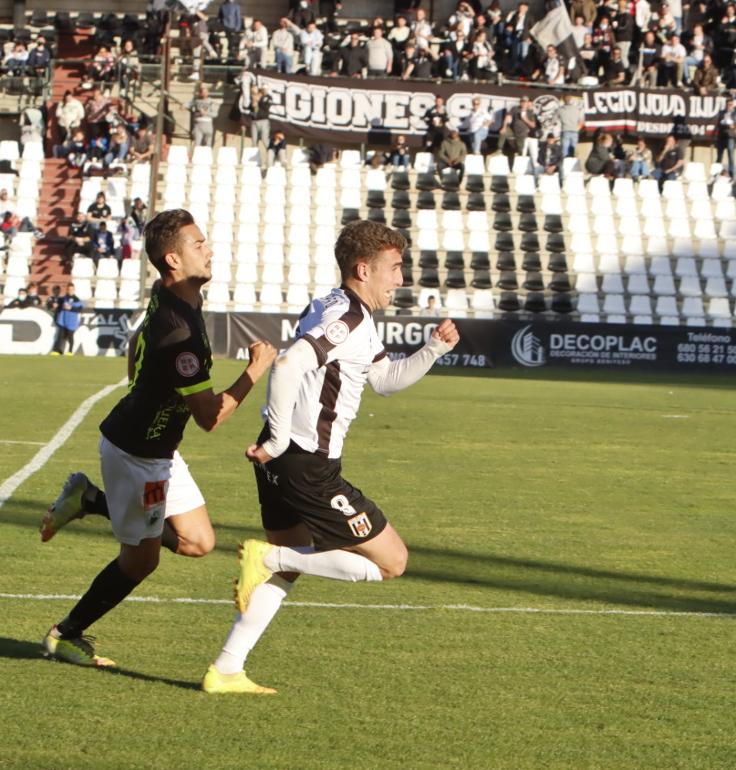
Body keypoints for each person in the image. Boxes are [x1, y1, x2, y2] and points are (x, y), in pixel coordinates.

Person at [201, 220, 460, 694]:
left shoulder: (335, 307)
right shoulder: (350, 320)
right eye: (394, 269)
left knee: (289, 566)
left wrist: (434, 349)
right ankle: (268, 558)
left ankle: (227, 668)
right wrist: (279, 438)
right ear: (364, 269)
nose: (400, 280)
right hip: (306, 465)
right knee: (390, 562)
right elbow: (288, 362)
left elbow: (384, 380)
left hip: (283, 464)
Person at [36, 208, 276, 669]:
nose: (208, 250)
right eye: (198, 244)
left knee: (199, 542)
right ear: (172, 259)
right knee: (141, 562)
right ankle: (65, 635)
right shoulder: (180, 330)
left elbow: (137, 341)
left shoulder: (174, 298)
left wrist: (148, 399)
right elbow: (211, 418)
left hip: (158, 448)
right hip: (137, 456)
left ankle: (89, 500)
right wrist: (254, 371)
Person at [51, 284, 83, 355]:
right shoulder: (63, 298)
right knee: (60, 336)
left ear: (74, 290)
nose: (70, 291)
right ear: (67, 290)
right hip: (63, 320)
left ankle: (70, 351)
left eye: (72, 289)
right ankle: (57, 351)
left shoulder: (77, 299)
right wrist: (55, 306)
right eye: (69, 289)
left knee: (70, 336)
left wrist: (71, 308)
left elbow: (80, 309)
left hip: (72, 321)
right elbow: (57, 306)